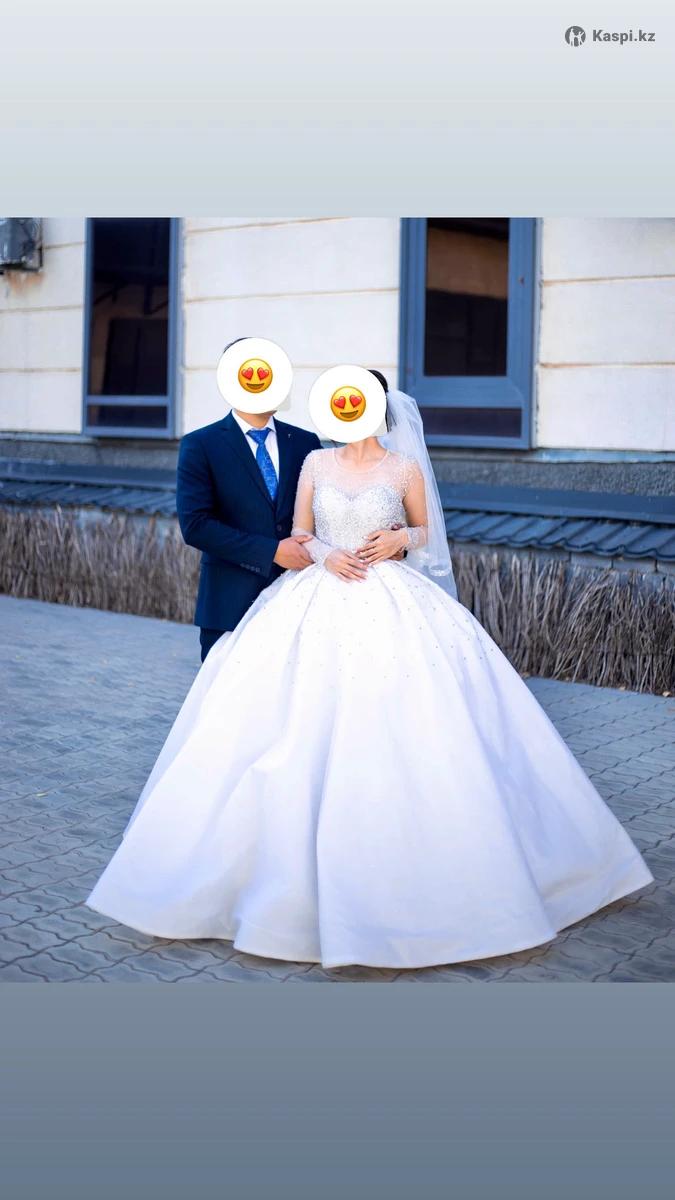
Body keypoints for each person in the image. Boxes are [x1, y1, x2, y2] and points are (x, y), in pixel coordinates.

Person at [85, 371, 653, 970]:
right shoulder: (314, 463)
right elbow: (298, 531)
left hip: (394, 597)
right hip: (317, 591)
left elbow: (427, 531)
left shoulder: (404, 469)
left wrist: (399, 539)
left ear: (377, 407)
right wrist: (323, 553)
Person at [176, 336, 321, 661]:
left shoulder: (305, 442)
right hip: (229, 602)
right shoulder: (200, 445)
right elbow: (196, 526)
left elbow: (326, 511)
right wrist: (272, 551)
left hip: (299, 599)